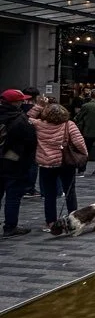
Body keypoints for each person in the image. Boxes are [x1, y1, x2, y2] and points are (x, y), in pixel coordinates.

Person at [28, 101, 86, 232]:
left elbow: (27, 118)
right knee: (70, 192)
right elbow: (79, 142)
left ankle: (50, 222)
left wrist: (38, 106)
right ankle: (73, 219)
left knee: (49, 194)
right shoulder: (68, 125)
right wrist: (83, 155)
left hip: (46, 164)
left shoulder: (39, 125)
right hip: (66, 163)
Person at [0, 89, 37, 237]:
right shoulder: (20, 119)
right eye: (21, 100)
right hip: (14, 163)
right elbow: (31, 142)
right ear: (14, 102)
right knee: (13, 196)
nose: (23, 102)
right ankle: (10, 226)